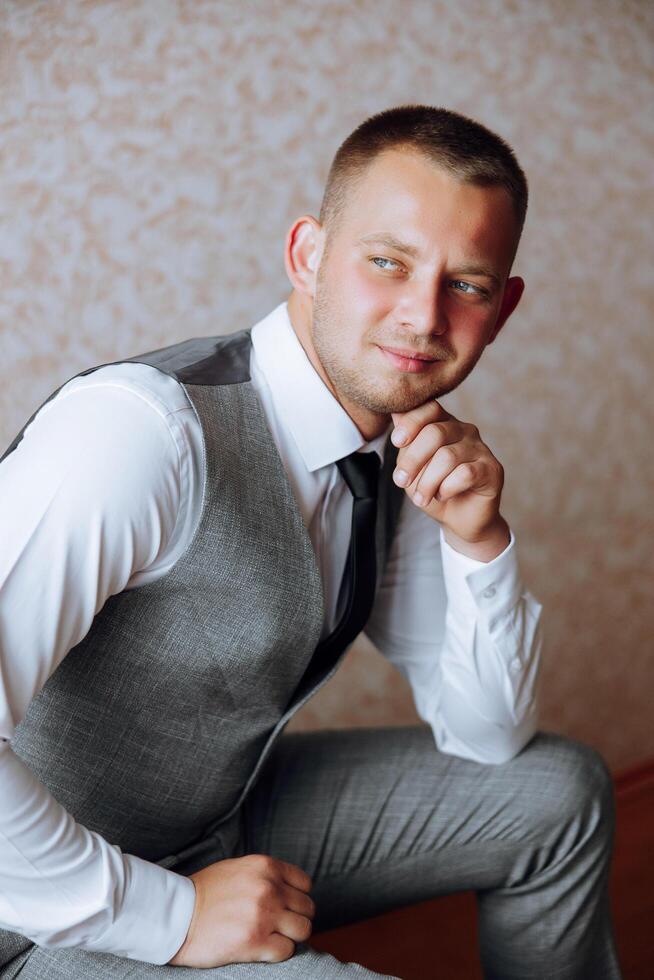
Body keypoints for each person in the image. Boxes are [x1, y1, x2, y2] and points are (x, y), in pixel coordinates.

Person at [0, 105, 621, 979]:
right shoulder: (141, 435)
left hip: (219, 819)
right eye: (387, 262)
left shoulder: (393, 455)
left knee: (559, 794)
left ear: (503, 307)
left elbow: (486, 738)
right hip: (37, 909)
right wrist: (174, 917)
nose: (422, 316)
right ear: (308, 255)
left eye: (467, 285)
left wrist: (481, 544)